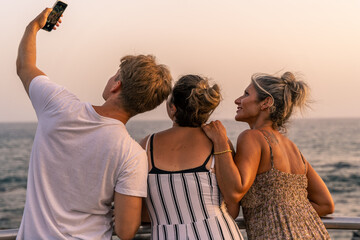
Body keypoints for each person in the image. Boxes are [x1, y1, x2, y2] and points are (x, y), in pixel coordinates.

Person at [16, 8, 172, 240]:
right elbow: (126, 231)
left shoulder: (59, 106)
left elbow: (24, 66)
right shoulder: (132, 156)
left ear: (116, 85)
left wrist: (34, 26)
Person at [202, 72, 334, 239]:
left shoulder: (252, 137)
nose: (237, 100)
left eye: (246, 94)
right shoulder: (292, 147)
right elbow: (325, 204)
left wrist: (220, 141)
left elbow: (235, 192)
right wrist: (286, 214)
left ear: (266, 102)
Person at [139, 75, 244, 240]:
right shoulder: (218, 142)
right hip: (218, 233)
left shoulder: (146, 146)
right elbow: (233, 206)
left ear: (173, 108)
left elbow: (143, 210)